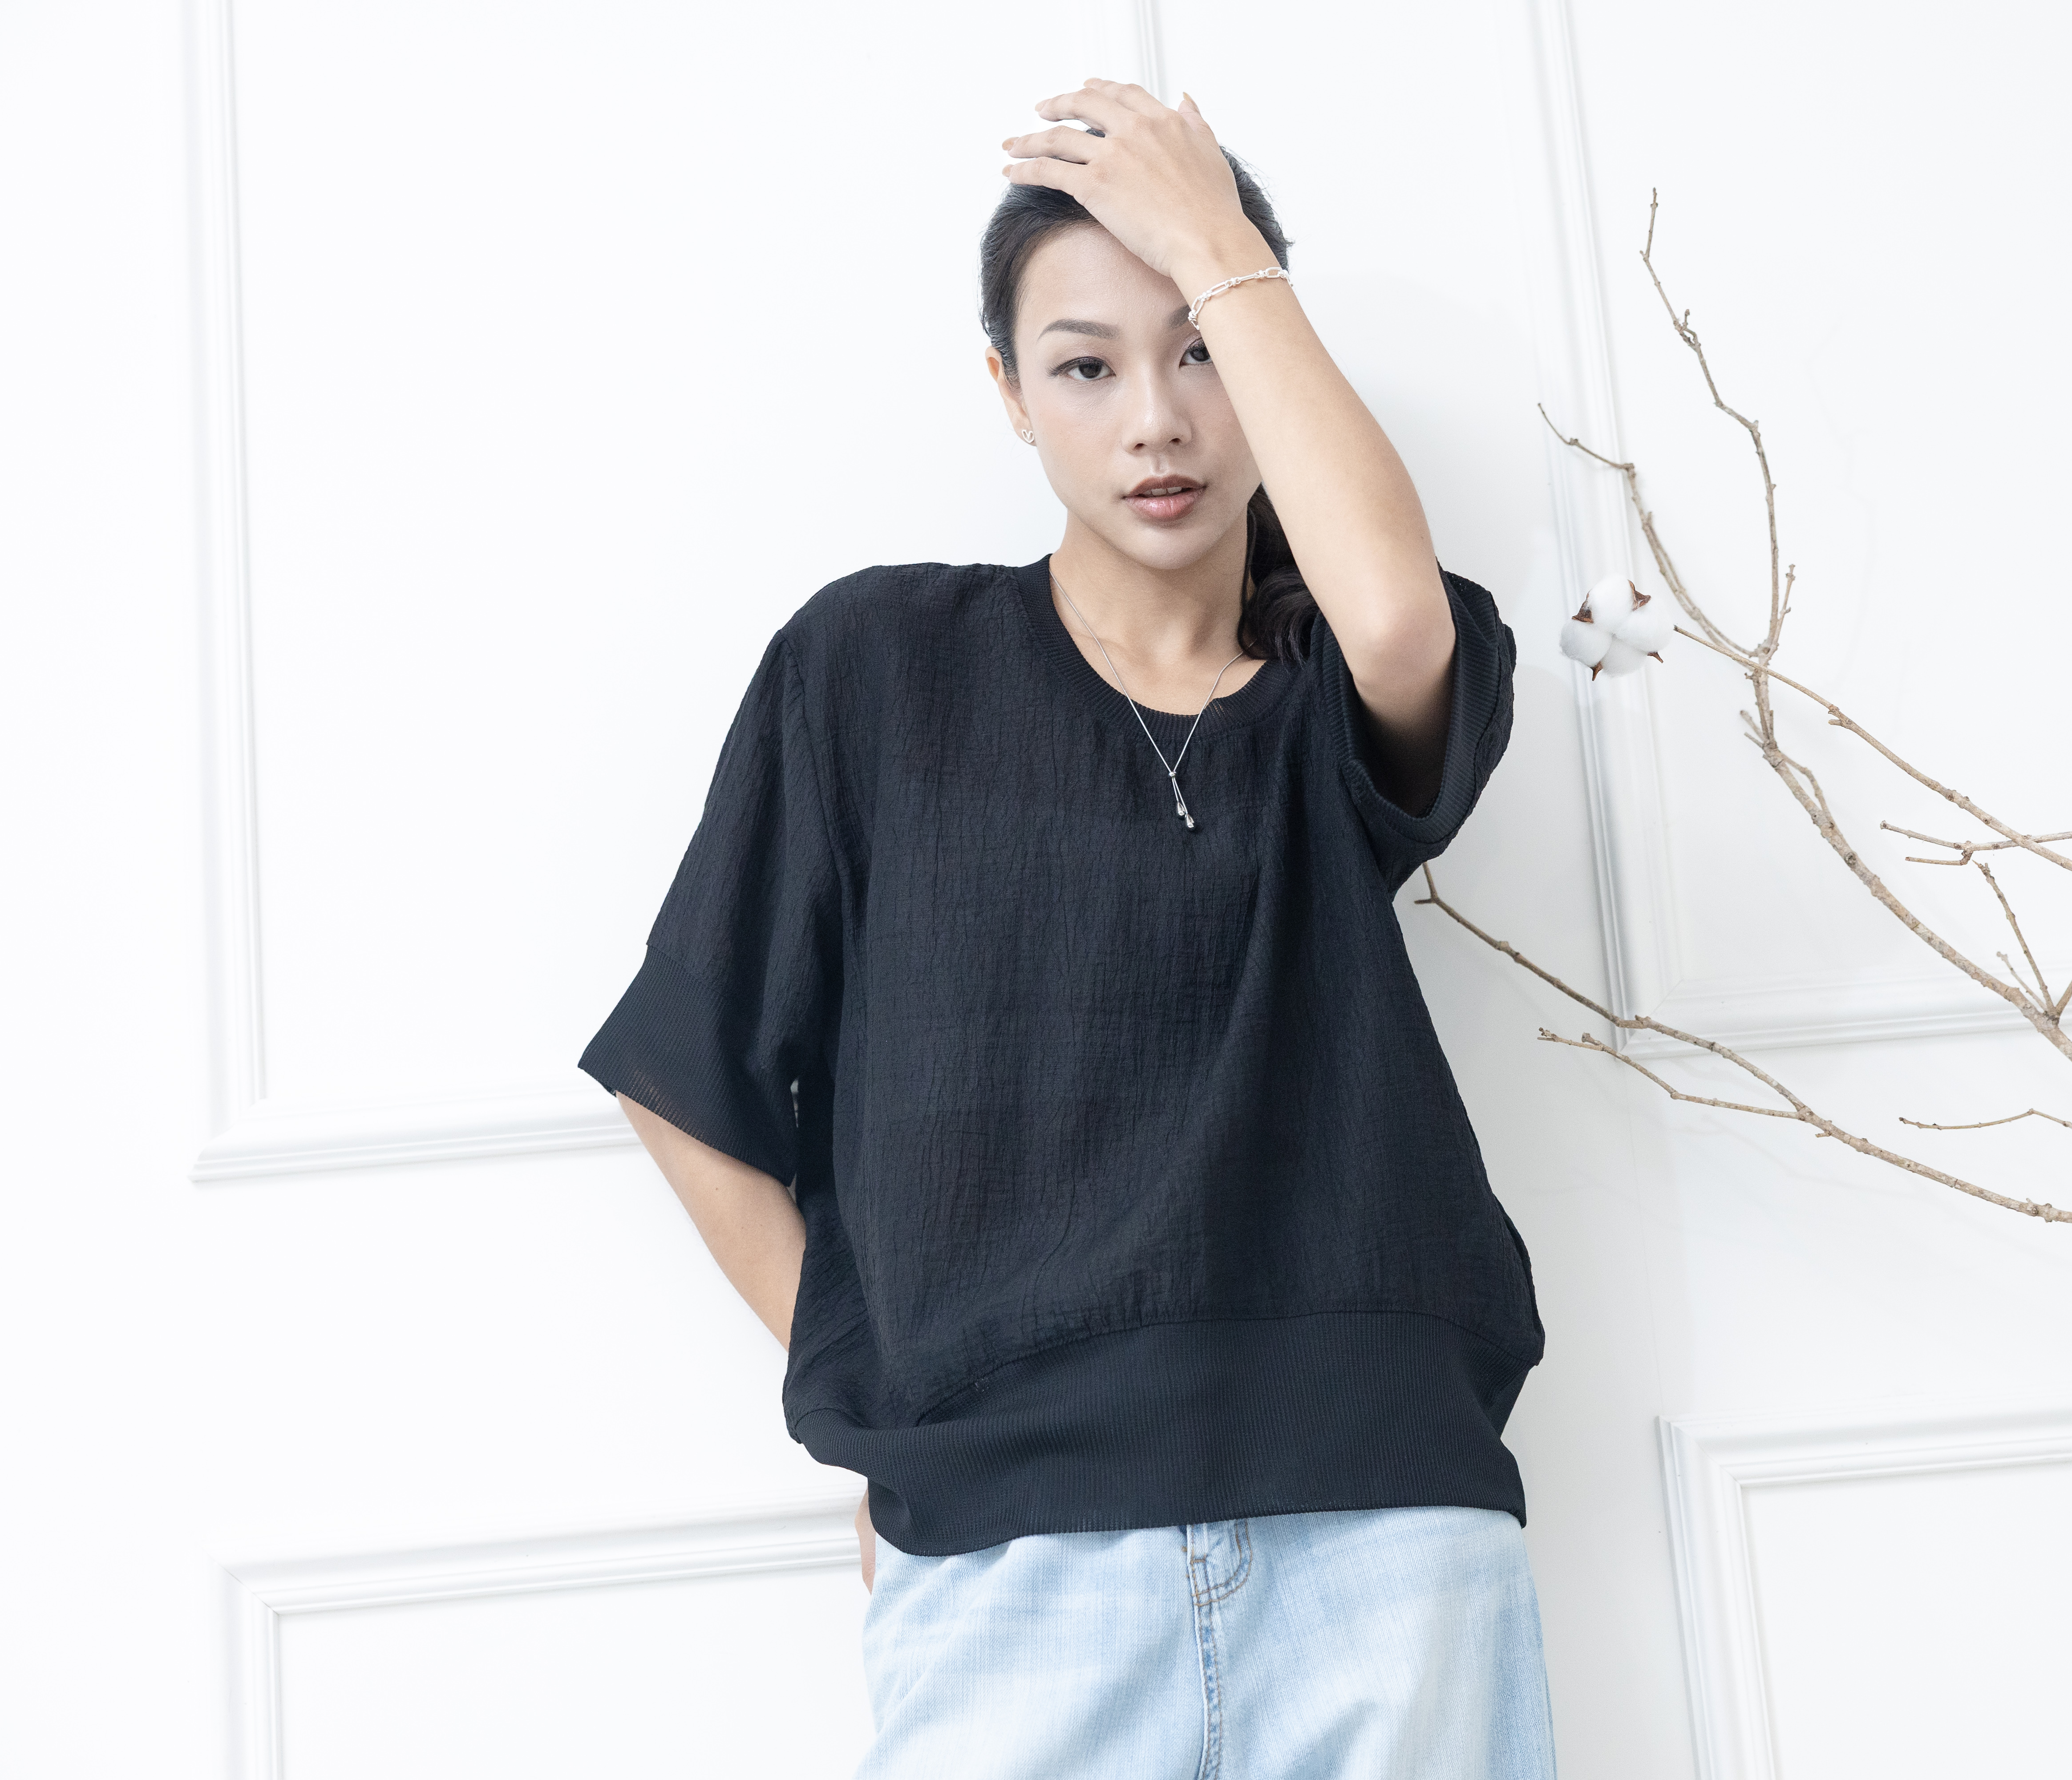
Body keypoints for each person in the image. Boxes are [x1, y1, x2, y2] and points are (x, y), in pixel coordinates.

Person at [580, 78, 1556, 1779]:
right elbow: (687, 1077)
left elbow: (1403, 626)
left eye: (1203, 352)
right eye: (1088, 368)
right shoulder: (875, 671)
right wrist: (887, 1394)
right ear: (1010, 397)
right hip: (1013, 1560)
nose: (1157, 422)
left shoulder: (1330, 688)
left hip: (1384, 1529)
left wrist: (1220, 239)